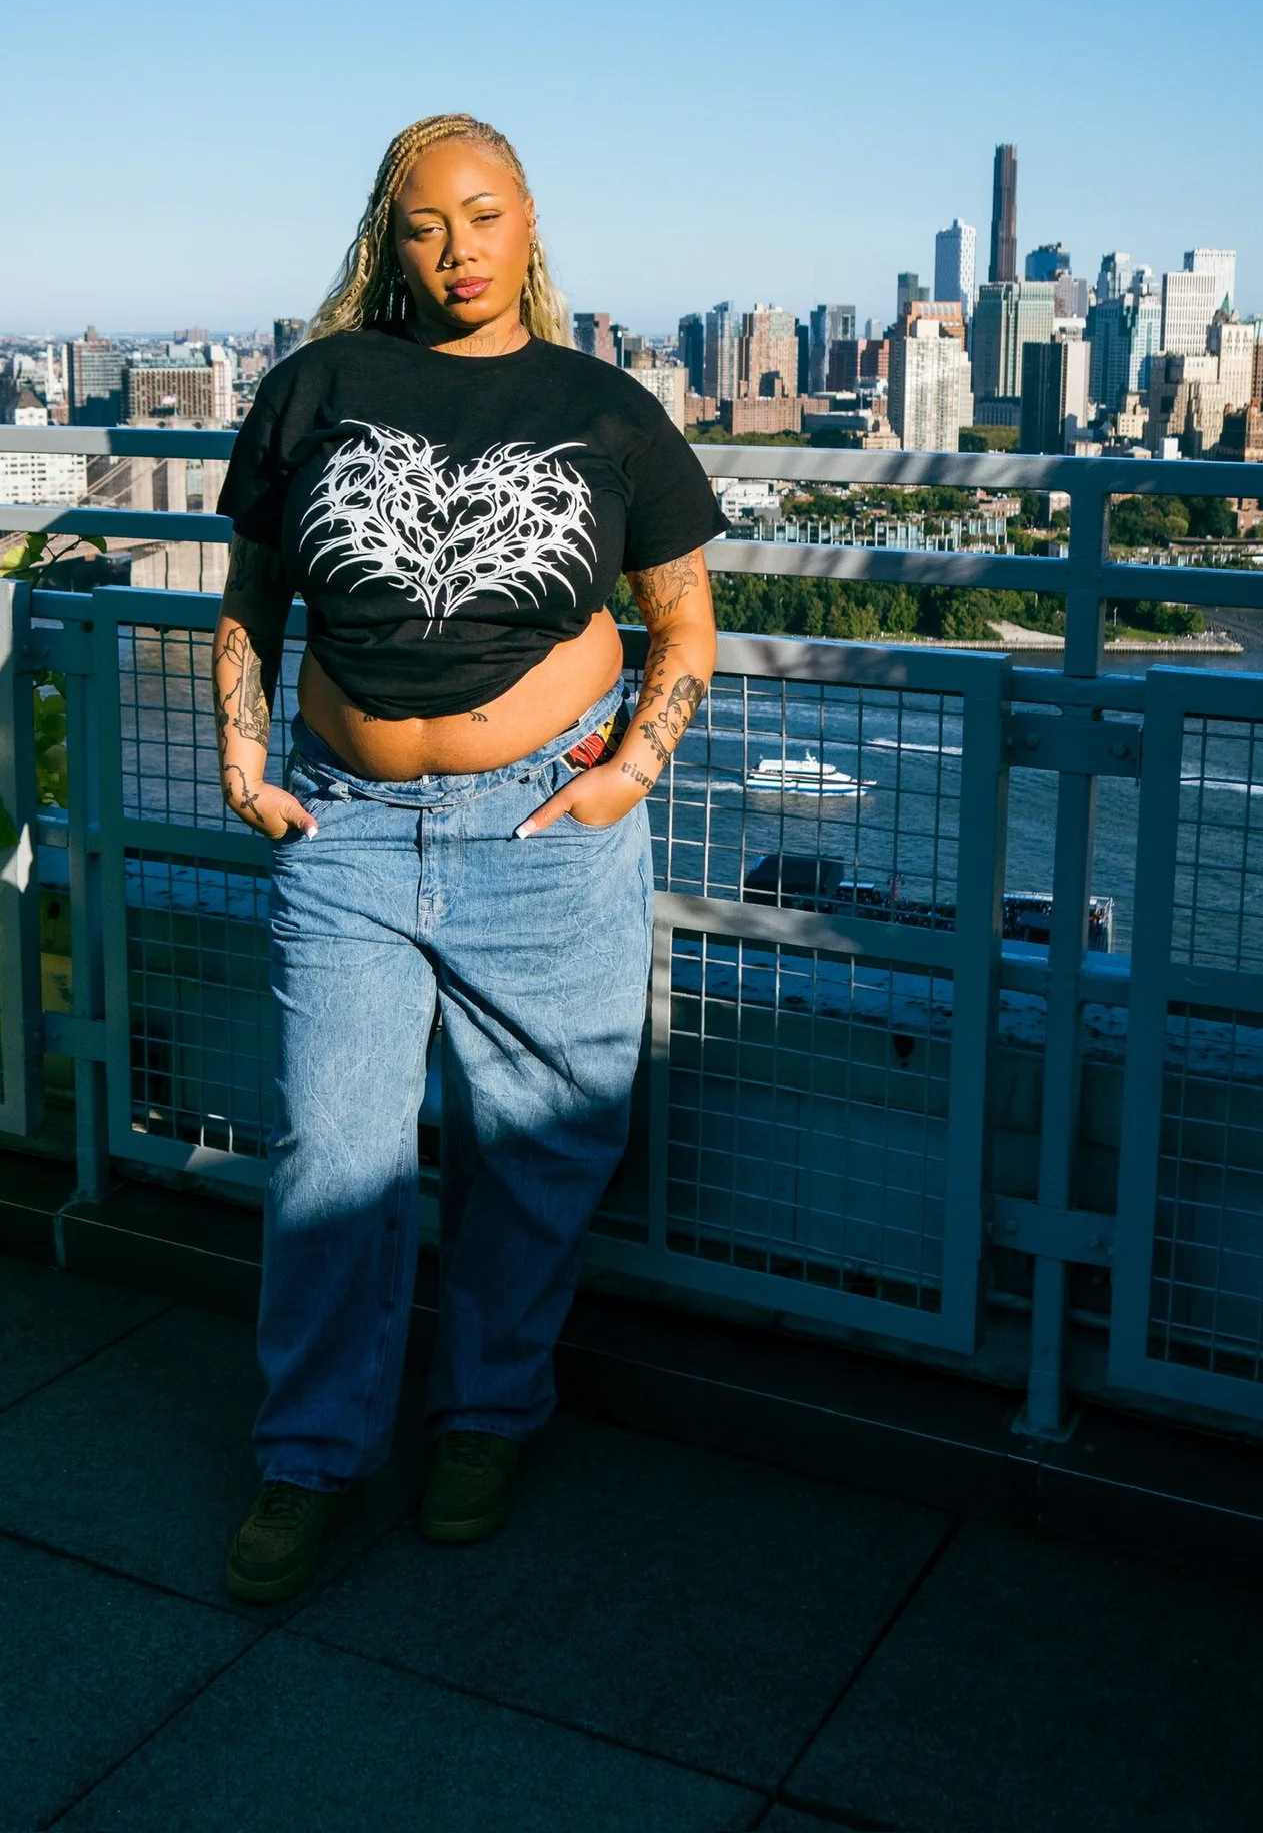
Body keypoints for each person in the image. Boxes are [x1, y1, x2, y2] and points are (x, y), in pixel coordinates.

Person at [212, 113, 721, 1603]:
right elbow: (251, 591)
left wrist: (632, 770)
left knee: (536, 1153)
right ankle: (308, 1457)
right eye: (428, 224)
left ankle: (486, 1419)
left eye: (484, 216)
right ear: (392, 237)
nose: (459, 250)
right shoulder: (314, 386)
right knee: (331, 1153)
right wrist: (241, 756)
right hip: (345, 829)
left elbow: (685, 618)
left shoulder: (606, 405)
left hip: (544, 829)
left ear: (528, 224)